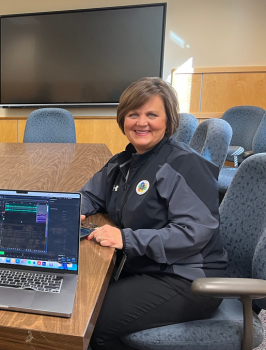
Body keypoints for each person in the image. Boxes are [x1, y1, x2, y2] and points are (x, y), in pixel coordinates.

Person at [79, 77, 228, 350]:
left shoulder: (184, 164)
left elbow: (192, 232)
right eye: (133, 114)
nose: (141, 122)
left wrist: (126, 238)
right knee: (81, 295)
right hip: (146, 266)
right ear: (123, 119)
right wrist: (73, 211)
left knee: (88, 320)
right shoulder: (124, 160)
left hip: (187, 279)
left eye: (152, 114)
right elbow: (90, 195)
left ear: (168, 121)